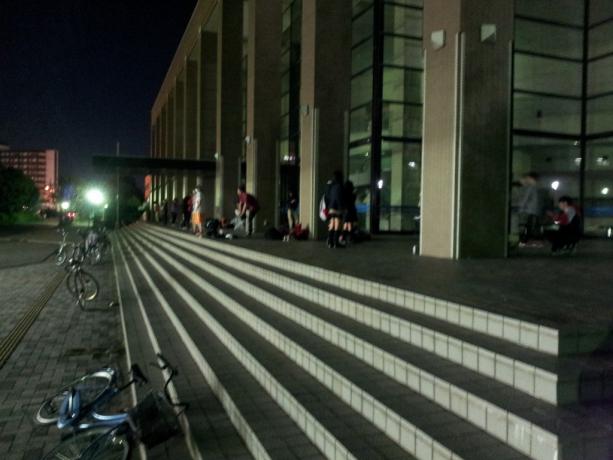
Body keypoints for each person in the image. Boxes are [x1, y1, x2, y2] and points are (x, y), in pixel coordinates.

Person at [518, 173, 541, 246]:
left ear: (531, 178)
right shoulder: (537, 187)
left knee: (524, 225)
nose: (527, 179)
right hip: (534, 210)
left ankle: (523, 241)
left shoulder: (531, 187)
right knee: (530, 226)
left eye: (528, 178)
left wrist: (520, 208)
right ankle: (527, 241)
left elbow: (525, 199)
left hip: (528, 210)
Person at [324, 170, 345, 248]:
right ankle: (336, 242)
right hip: (337, 207)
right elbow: (339, 198)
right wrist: (341, 207)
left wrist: (328, 206)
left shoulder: (331, 185)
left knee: (332, 223)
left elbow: (327, 196)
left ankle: (330, 242)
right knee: (337, 224)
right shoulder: (339, 186)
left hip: (331, 206)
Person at [340, 180, 357, 245]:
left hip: (346, 210)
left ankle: (344, 237)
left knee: (346, 224)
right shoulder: (352, 194)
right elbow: (353, 201)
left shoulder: (344, 193)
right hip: (351, 210)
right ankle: (348, 238)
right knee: (349, 224)